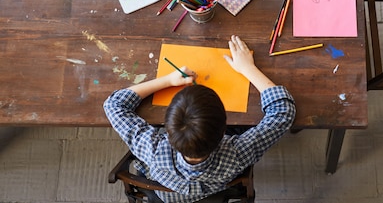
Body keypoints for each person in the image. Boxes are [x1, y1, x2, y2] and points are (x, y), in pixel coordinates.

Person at [104, 35, 296, 203]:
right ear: (223, 131)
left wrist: (167, 81)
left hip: (165, 195)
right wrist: (248, 68)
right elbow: (283, 110)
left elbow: (114, 105)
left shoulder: (153, 150)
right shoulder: (237, 153)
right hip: (217, 187)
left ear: (167, 131)